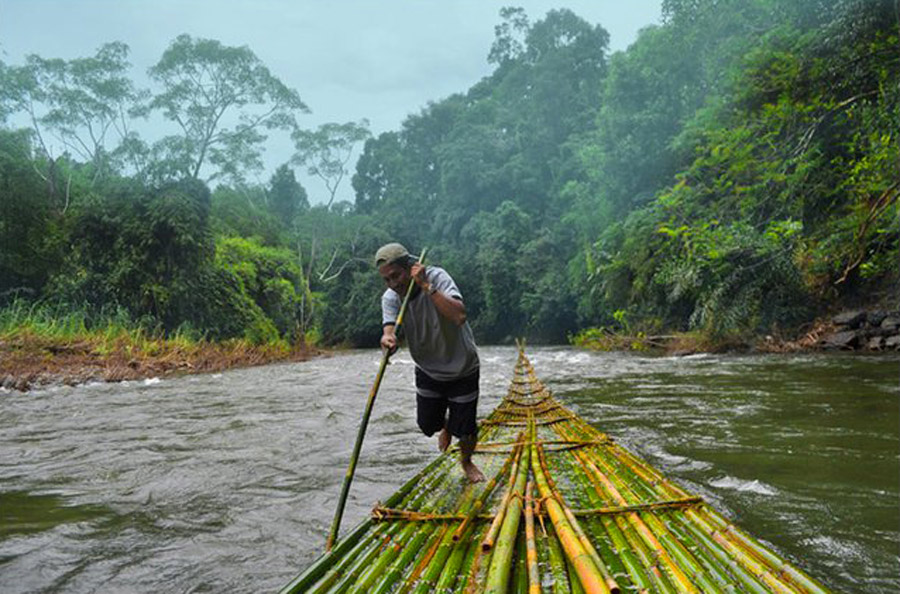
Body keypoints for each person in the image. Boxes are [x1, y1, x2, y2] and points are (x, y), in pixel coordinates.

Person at [376, 242, 485, 483]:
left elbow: (459, 315)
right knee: (427, 426)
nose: (393, 284)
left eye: (396, 275)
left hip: (462, 366)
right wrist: (387, 340)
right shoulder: (391, 298)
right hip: (428, 369)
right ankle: (447, 425)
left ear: (410, 267)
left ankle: (467, 462)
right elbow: (389, 332)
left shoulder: (437, 278)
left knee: (466, 431)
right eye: (387, 279)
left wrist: (426, 286)